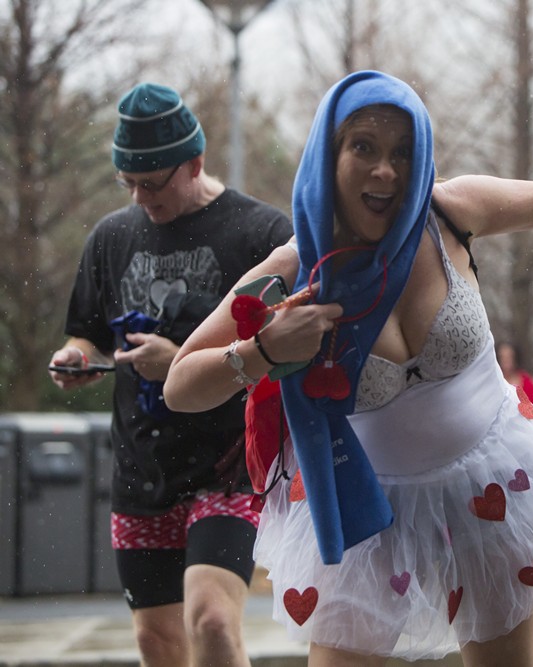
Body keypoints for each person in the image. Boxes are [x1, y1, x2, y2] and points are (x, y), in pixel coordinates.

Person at [162, 70, 533, 665]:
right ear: (329, 155)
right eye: (364, 147)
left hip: (490, 484)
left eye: (403, 153)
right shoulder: (295, 266)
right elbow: (181, 384)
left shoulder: (450, 212)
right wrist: (261, 354)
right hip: (365, 510)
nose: (386, 169)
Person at [47, 83, 293, 666]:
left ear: (195, 163)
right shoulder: (111, 237)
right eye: (128, 184)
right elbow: (87, 329)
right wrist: (76, 356)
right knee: (156, 642)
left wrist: (178, 359)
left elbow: (287, 343)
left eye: (152, 183)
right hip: (141, 469)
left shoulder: (260, 234)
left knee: (210, 619)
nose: (140, 198)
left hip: (229, 465)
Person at [496, 341, 533, 413]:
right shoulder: (494, 381)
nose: (506, 360)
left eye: (509, 357)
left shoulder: (529, 384)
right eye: (502, 357)